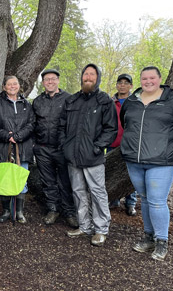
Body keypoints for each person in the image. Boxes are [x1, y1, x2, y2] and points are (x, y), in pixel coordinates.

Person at [120, 66, 173, 261]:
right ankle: (149, 236)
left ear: (159, 79)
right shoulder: (132, 101)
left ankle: (162, 241)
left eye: (152, 78)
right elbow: (125, 122)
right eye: (144, 78)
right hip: (134, 159)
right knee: (144, 198)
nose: (148, 81)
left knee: (157, 201)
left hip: (161, 161)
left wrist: (166, 146)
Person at [59, 63, 118, 247]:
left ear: (97, 78)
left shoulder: (104, 101)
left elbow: (111, 129)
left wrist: (98, 147)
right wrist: (65, 146)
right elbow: (62, 126)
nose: (88, 77)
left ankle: (101, 229)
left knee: (97, 192)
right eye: (86, 74)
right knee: (78, 191)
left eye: (92, 75)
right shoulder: (72, 100)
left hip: (93, 157)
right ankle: (84, 225)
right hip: (73, 157)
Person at [33, 69, 77, 227]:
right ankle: (53, 209)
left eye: (53, 79)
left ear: (58, 80)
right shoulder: (37, 101)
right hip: (42, 148)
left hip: (62, 149)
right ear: (43, 82)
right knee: (48, 181)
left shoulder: (69, 99)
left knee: (66, 181)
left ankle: (69, 212)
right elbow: (33, 123)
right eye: (46, 79)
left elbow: (74, 124)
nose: (50, 82)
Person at [0, 75, 35, 224]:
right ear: (4, 87)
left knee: (21, 180)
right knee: (4, 179)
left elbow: (31, 124)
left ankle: (20, 211)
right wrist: (7, 136)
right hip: (3, 148)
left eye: (15, 83)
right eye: (9, 84)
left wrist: (18, 136)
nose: (12, 86)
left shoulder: (26, 105)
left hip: (22, 148)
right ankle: (5, 210)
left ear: (19, 86)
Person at [108, 73, 138, 216]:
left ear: (131, 86)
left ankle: (130, 203)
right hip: (113, 142)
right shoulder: (110, 102)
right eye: (120, 82)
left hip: (130, 144)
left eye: (126, 83)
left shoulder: (136, 102)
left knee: (131, 174)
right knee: (112, 172)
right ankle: (113, 200)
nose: (122, 85)